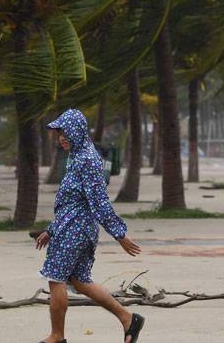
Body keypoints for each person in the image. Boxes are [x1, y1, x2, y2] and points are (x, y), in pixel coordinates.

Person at [35, 108, 145, 343]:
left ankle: (57, 336)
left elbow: (99, 201)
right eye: (59, 134)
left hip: (75, 230)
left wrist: (119, 234)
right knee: (80, 281)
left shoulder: (87, 159)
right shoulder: (78, 155)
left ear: (77, 132)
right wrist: (51, 229)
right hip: (72, 227)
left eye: (65, 133)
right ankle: (128, 319)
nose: (62, 138)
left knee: (55, 278)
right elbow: (70, 200)